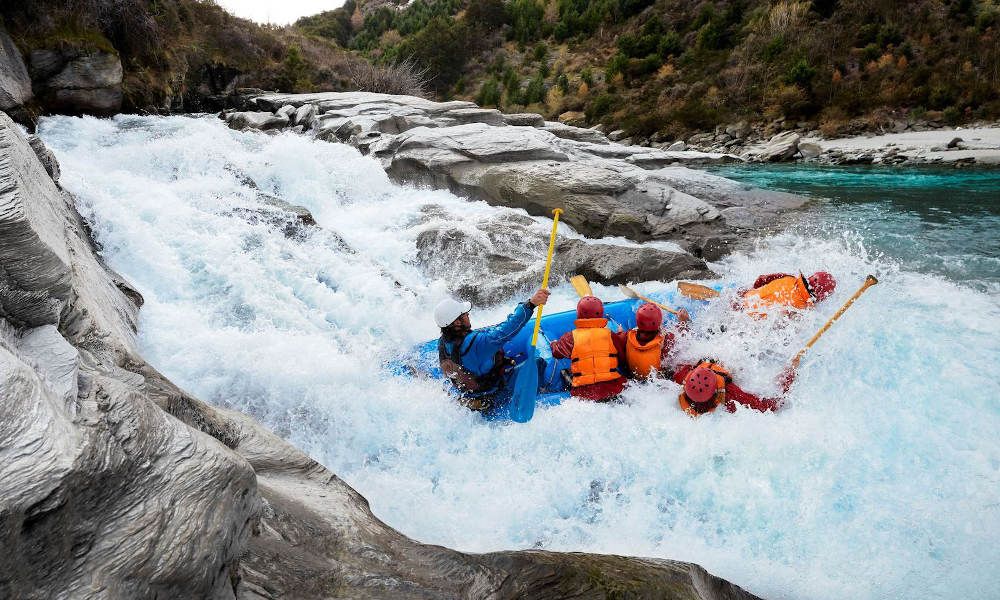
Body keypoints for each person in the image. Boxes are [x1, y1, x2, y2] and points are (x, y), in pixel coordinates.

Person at [549, 296, 628, 402]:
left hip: (585, 394)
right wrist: (620, 334)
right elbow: (622, 356)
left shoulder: (570, 337)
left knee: (564, 372)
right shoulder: (610, 335)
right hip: (613, 388)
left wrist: (554, 344)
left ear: (579, 314)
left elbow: (556, 353)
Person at [671, 359, 795, 417]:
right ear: (716, 391)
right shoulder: (730, 397)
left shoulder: (680, 377)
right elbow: (768, 407)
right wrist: (788, 376)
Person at [621, 302, 689, 380]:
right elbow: (682, 339)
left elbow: (621, 338)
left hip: (635, 377)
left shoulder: (628, 335)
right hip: (657, 380)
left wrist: (620, 332)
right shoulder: (666, 339)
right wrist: (683, 323)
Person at [739, 271, 837, 315]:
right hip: (750, 321)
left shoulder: (789, 277)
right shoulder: (802, 309)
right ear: (822, 297)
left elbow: (761, 279)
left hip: (743, 301)